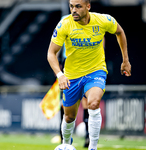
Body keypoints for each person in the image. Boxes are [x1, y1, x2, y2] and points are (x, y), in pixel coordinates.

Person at [47, 0, 131, 150]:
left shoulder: (104, 20)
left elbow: (120, 32)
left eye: (78, 6)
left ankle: (92, 147)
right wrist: (60, 75)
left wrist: (125, 60)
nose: (74, 10)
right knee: (69, 117)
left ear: (88, 6)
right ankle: (66, 143)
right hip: (71, 75)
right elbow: (51, 53)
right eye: (71, 6)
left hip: (95, 71)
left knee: (93, 103)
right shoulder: (64, 24)